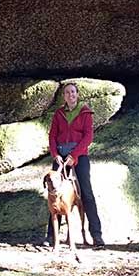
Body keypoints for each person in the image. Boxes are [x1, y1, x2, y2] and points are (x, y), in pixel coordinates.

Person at [45, 82, 105, 248]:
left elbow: (88, 137)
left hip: (79, 155)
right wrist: (56, 155)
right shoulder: (59, 114)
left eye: (73, 92)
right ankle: (51, 235)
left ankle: (96, 235)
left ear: (77, 95)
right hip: (60, 155)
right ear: (64, 96)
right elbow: (52, 136)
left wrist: (74, 156)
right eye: (67, 92)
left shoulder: (85, 113)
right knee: (53, 191)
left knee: (86, 191)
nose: (70, 95)